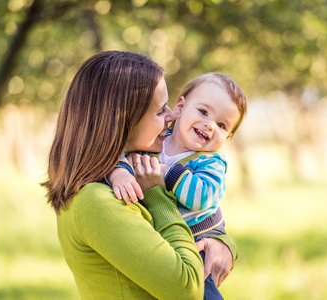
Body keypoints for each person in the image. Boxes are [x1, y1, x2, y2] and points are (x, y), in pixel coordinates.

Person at [41, 51, 238, 300]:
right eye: (158, 111)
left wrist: (221, 241)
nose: (172, 115)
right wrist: (155, 193)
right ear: (122, 120)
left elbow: (199, 210)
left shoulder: (132, 167)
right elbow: (188, 290)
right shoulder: (97, 200)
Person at [108, 73, 247, 299]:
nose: (209, 125)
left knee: (200, 292)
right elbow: (123, 154)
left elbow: (202, 196)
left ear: (228, 136)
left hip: (198, 244)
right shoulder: (156, 141)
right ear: (180, 107)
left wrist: (167, 172)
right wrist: (120, 172)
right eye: (203, 112)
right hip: (162, 241)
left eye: (221, 125)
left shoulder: (210, 162)